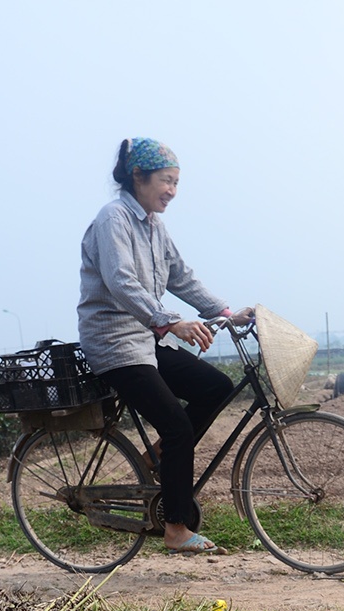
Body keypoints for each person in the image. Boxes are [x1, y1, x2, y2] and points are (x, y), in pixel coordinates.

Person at [78, 138, 253, 554]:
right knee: (177, 425)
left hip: (145, 338)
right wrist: (171, 322)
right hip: (114, 344)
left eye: (176, 182)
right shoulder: (113, 219)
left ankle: (158, 457)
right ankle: (176, 529)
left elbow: (181, 276)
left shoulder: (154, 225)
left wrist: (224, 313)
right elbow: (121, 282)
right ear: (138, 177)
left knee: (215, 387)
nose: (172, 190)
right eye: (166, 181)